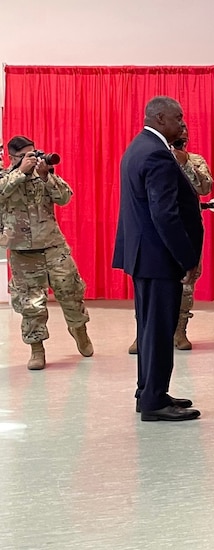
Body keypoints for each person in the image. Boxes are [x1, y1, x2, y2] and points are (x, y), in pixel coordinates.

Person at [113, 96, 202, 422]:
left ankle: (150, 391)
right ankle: (153, 402)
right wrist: (187, 258)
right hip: (159, 259)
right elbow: (165, 214)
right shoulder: (155, 154)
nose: (182, 123)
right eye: (178, 117)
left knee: (151, 329)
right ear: (160, 118)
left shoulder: (139, 146)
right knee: (159, 330)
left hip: (145, 256)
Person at [0, 136, 94, 370]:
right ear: (12, 157)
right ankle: (37, 349)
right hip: (23, 251)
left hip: (53, 246)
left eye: (33, 153)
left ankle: (79, 331)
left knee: (71, 292)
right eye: (24, 155)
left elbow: (65, 197)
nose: (31, 158)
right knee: (31, 304)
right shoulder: (5, 177)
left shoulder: (42, 176)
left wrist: (45, 175)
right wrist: (21, 171)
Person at [127, 123, 213, 354]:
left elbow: (205, 188)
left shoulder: (194, 160)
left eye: (184, 138)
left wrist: (184, 163)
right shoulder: (153, 155)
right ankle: (142, 333)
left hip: (185, 230)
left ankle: (179, 330)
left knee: (186, 285)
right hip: (157, 231)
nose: (180, 139)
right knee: (149, 288)